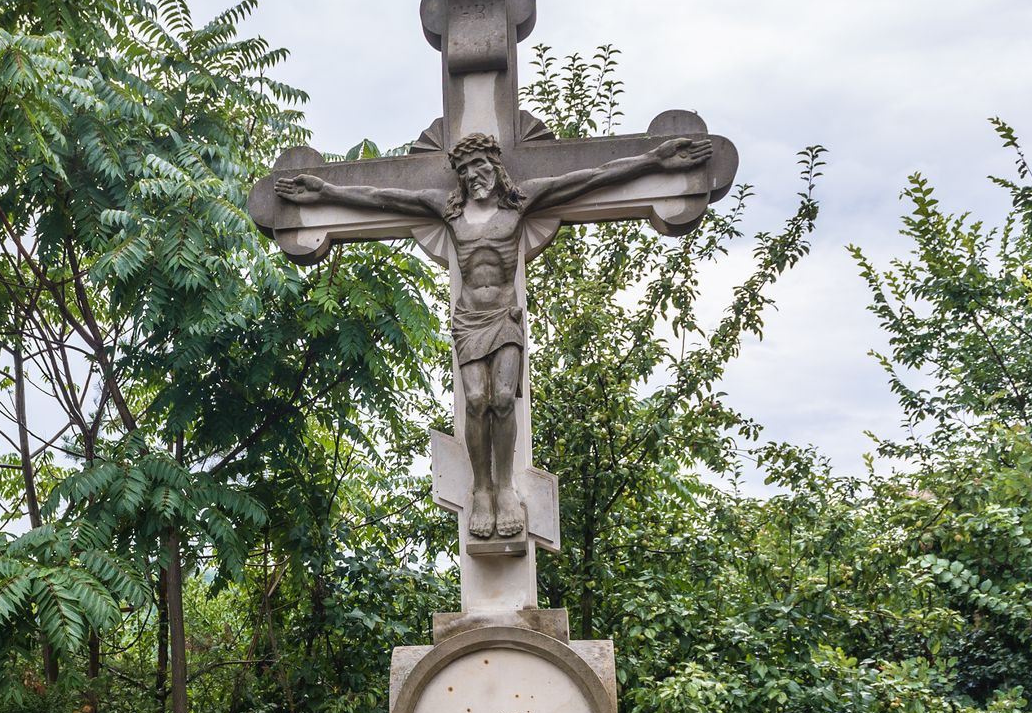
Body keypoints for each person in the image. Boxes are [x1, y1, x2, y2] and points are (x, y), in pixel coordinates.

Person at [276, 131, 713, 539]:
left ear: (496, 167)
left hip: (505, 315)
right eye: (465, 171)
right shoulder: (444, 208)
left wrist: (654, 161)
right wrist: (326, 191)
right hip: (469, 320)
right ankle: (481, 488)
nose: (472, 177)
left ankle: (505, 487)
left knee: (503, 399)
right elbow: (381, 197)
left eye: (480, 166)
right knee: (476, 401)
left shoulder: (518, 205)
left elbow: (592, 178)